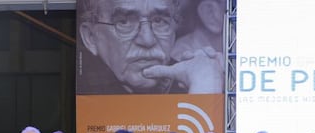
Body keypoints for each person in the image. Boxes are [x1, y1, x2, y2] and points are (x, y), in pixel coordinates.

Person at [77, 0, 223, 94]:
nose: (147, 40)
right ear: (91, 38)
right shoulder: (82, 95)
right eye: (124, 22)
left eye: (159, 21)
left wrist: (206, 85)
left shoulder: (197, 77)